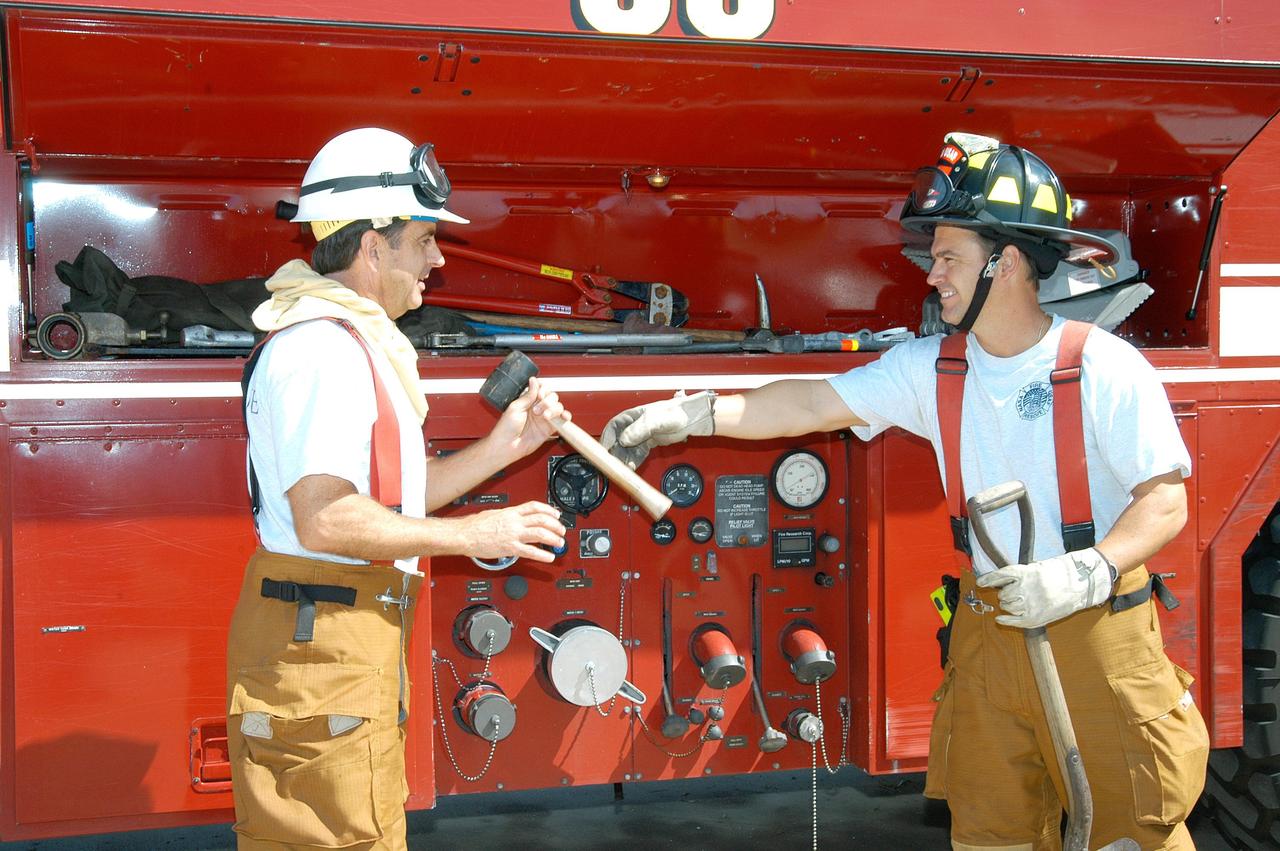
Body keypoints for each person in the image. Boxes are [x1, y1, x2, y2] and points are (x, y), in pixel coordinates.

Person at [600, 132, 1209, 850]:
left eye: (950, 256)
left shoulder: (1104, 367)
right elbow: (807, 404)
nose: (933, 275)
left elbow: (1165, 499)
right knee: (993, 836)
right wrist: (689, 414)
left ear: (1006, 262)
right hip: (990, 633)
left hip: (1097, 631)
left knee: (1130, 834)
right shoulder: (931, 369)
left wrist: (1087, 570)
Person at [226, 127, 567, 851]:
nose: (437, 260)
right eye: (423, 240)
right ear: (372, 246)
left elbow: (396, 496)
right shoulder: (322, 350)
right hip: (327, 632)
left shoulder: (345, 341)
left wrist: (510, 443)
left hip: (335, 637)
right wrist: (476, 535)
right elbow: (327, 519)